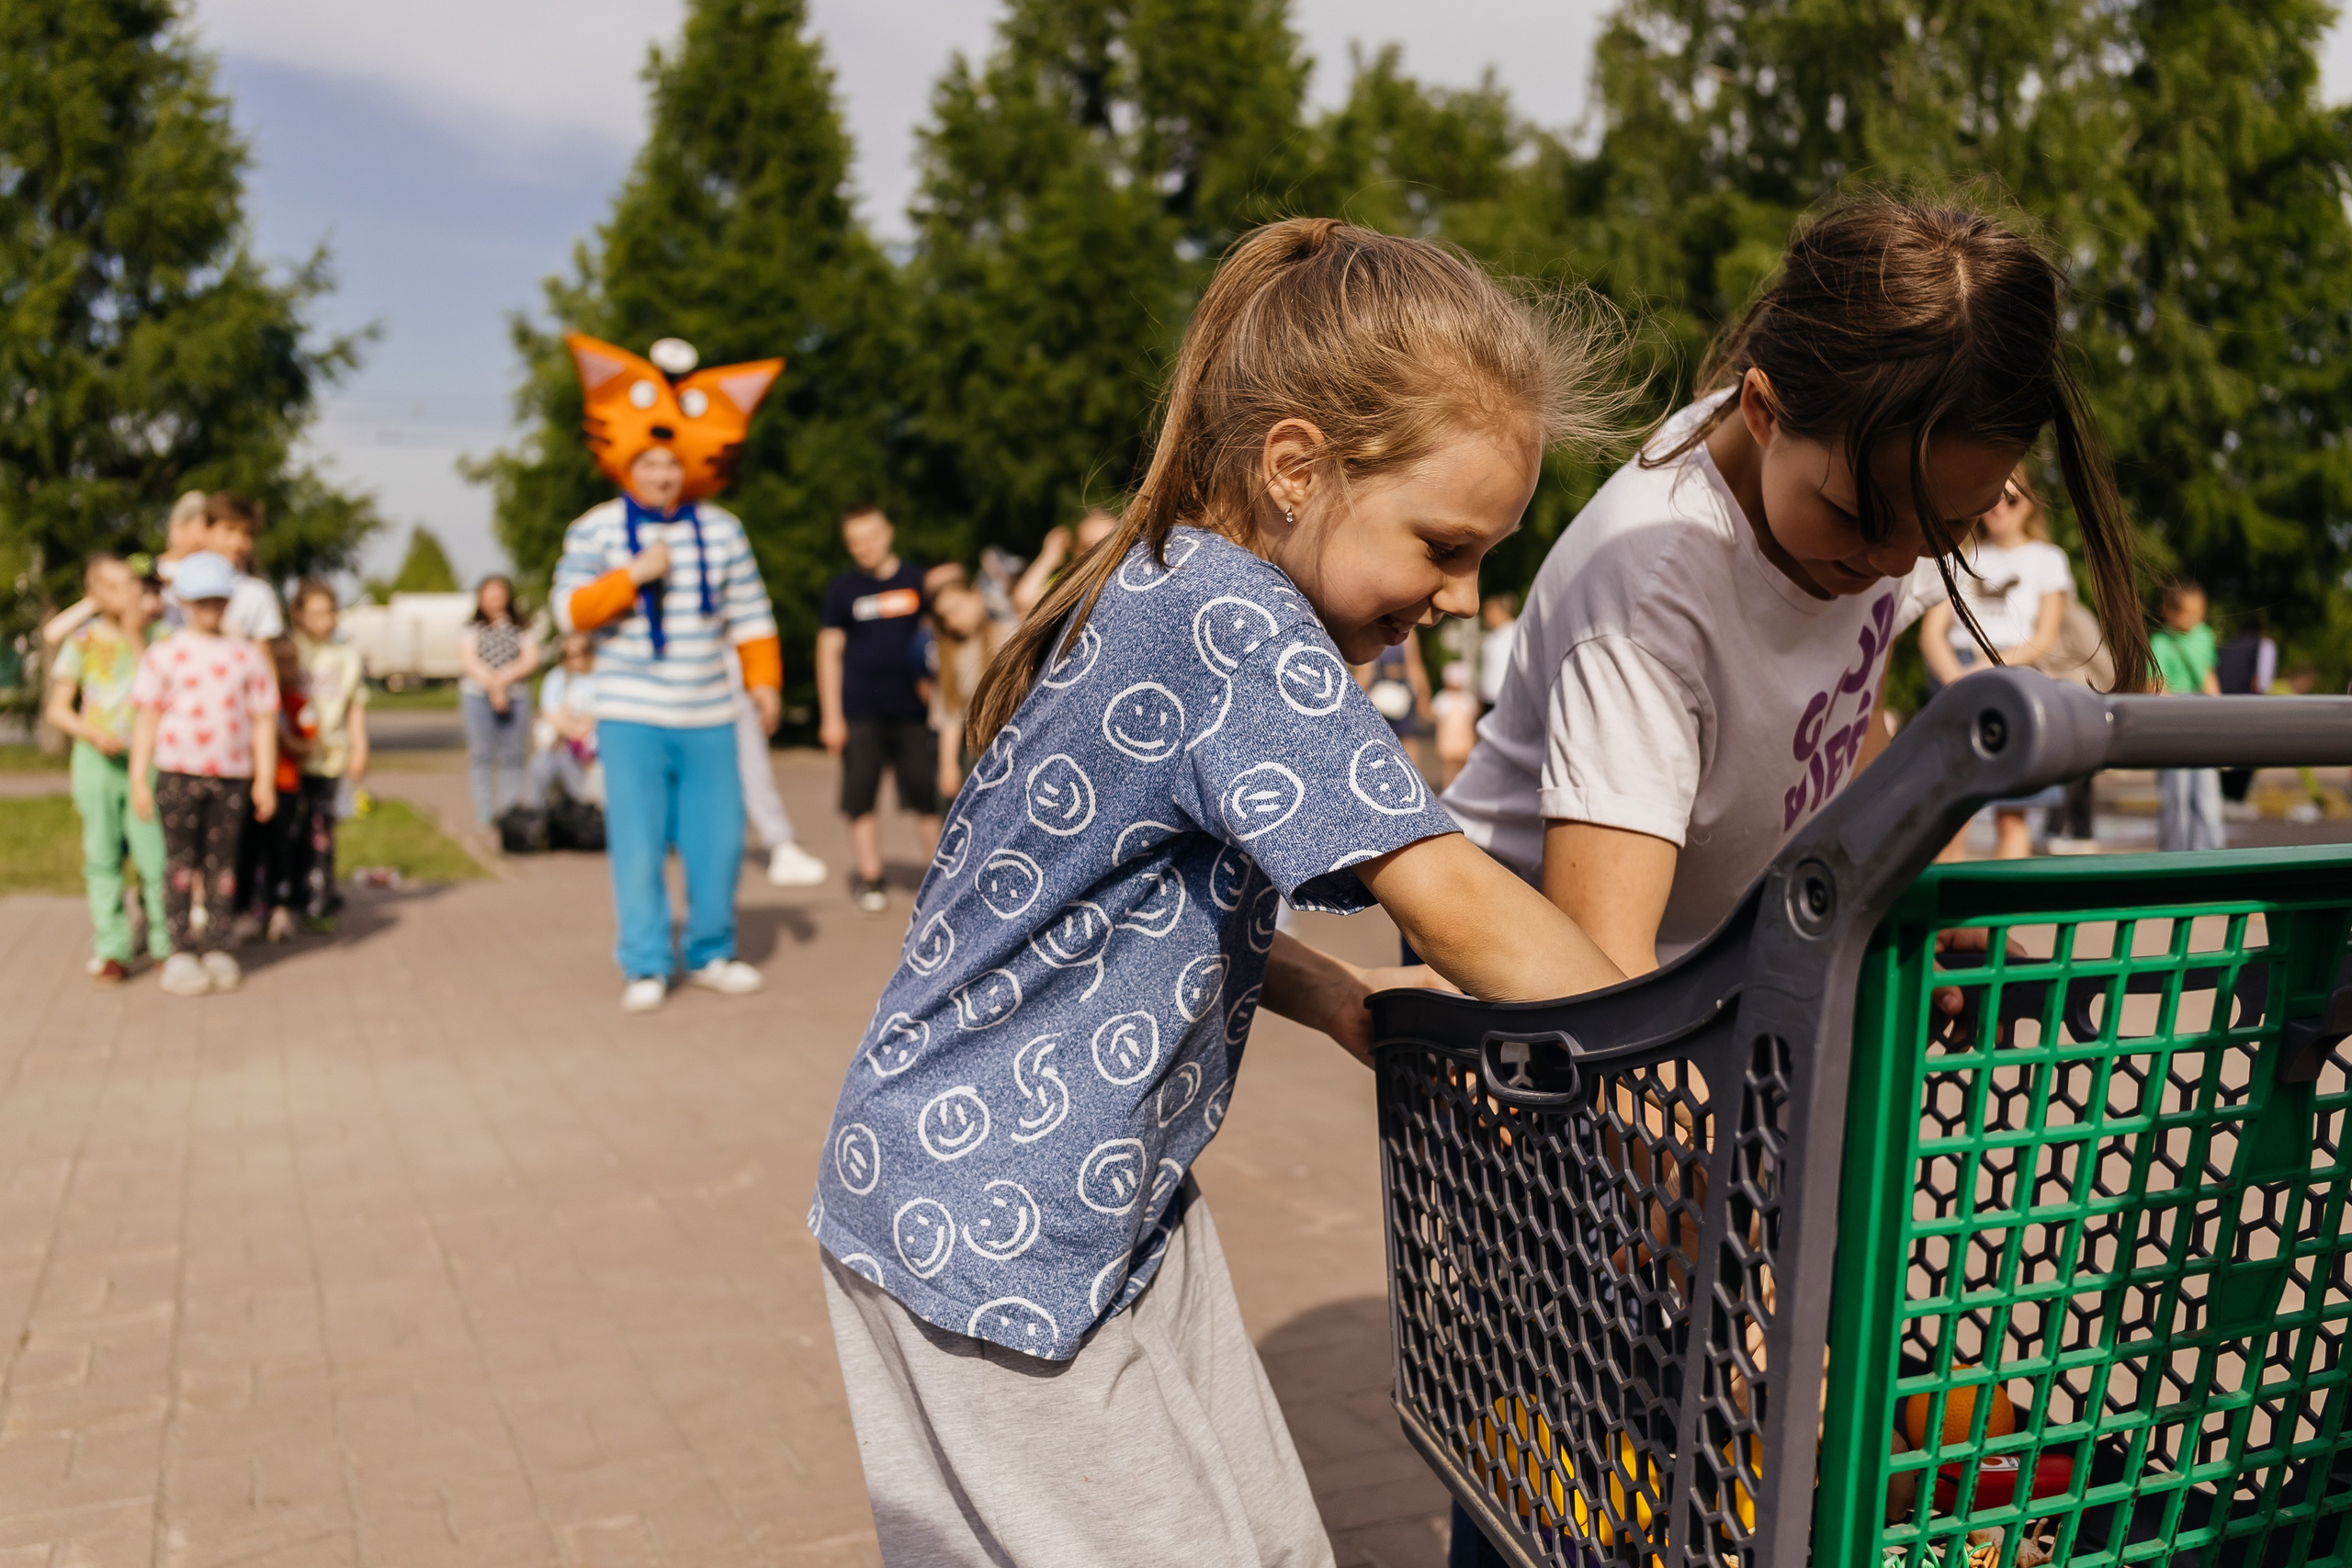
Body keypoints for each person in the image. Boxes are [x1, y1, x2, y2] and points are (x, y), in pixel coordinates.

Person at [810, 217, 1627, 1568]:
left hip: (1102, 1196)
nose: (1460, 594)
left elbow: (1114, 901)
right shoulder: (1228, 620)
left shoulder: (1178, 588)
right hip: (989, 1217)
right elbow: (1449, 895)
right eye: (1442, 542)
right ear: (1297, 466)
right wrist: (1675, 1055)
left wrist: (1334, 995)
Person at [551, 332, 786, 1013]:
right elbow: (568, 610)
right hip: (630, 712)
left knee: (718, 843)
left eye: (670, 464)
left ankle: (711, 951)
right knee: (639, 845)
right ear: (629, 464)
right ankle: (647, 962)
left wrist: (765, 682)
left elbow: (751, 612)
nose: (661, 475)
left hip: (709, 711)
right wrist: (632, 575)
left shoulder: (724, 529)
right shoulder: (593, 529)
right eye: (649, 464)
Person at [126, 552, 278, 998]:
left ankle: (217, 943)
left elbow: (264, 719)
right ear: (185, 602)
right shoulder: (164, 653)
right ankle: (179, 949)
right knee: (179, 862)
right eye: (201, 600)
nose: (210, 608)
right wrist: (138, 778)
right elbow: (147, 719)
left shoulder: (246, 655)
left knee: (222, 864)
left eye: (217, 599)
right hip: (176, 771)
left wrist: (264, 778)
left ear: (228, 601)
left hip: (231, 774)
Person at [1918, 468, 2075, 859]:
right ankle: (1951, 900)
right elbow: (1931, 634)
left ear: (2030, 505)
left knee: (2011, 815)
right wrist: (1956, 679)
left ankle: (2000, 903)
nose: (2000, 508)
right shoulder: (1956, 554)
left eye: (2012, 499)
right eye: (1993, 497)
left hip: (2016, 677)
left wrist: (1985, 671)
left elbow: (2043, 638)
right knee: (1952, 812)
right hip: (1956, 675)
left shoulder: (2047, 559)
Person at [44, 555, 169, 982]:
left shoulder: (159, 636)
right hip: (97, 761)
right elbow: (58, 709)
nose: (127, 594)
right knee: (102, 855)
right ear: (95, 595)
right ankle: (113, 947)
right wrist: (93, 734)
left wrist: (134, 634)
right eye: (114, 587)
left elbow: (161, 689)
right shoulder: (83, 640)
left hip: (146, 761)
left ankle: (164, 942)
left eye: (130, 584)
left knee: (155, 857)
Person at [818, 504, 939, 915]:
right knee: (861, 796)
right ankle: (871, 878)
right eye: (855, 541)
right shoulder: (843, 590)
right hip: (860, 710)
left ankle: (940, 880)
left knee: (927, 796)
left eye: (870, 536)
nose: (865, 546)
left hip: (914, 711)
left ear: (888, 532)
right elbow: (828, 652)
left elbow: (940, 639)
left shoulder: (917, 581)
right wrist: (831, 716)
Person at [283, 582, 368, 932]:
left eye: (329, 612)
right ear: (298, 614)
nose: (323, 620)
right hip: (291, 756)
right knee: (290, 829)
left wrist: (360, 748)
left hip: (329, 756)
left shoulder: (346, 656)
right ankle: (290, 894)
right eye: (315, 613)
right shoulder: (290, 649)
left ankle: (319, 897)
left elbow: (354, 707)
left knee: (321, 828)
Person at [731, 642, 829, 886]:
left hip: (725, 680)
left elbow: (751, 624)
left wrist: (763, 679)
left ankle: (780, 843)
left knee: (752, 766)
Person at [457, 575, 539, 826]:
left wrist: (503, 681)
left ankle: (510, 811)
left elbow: (530, 660)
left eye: (498, 593)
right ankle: (485, 813)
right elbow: (469, 661)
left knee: (514, 755)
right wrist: (493, 684)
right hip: (477, 697)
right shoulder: (471, 629)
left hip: (516, 697)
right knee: (481, 754)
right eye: (488, 593)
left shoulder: (522, 628)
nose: (493, 599)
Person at [2151, 580, 2223, 852]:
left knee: (2207, 791)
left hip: (2202, 713)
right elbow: (2155, 685)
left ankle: (2209, 851)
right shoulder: (2159, 642)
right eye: (2187, 613)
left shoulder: (2204, 635)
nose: (2193, 619)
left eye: (2198, 613)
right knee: (2176, 793)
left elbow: (2207, 676)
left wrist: (2222, 712)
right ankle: (2175, 852)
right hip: (2174, 716)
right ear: (2168, 611)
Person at [926, 579, 1009, 801]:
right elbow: (950, 715)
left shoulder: (1011, 634)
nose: (951, 622)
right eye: (944, 618)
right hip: (980, 753)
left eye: (956, 609)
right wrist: (948, 766)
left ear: (976, 597)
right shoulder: (951, 654)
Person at [197, 492, 286, 642]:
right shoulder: (174, 580)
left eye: (247, 534)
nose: (238, 542)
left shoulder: (258, 593)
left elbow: (263, 650)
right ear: (205, 530)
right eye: (229, 529)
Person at [530, 632, 604, 807]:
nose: (574, 659)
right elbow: (550, 715)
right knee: (541, 767)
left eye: (581, 652)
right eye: (568, 655)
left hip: (594, 748)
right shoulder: (556, 678)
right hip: (562, 743)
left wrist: (584, 727)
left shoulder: (601, 677)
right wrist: (574, 731)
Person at [1011, 507, 1121, 615]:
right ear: (1075, 549)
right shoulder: (1068, 579)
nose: (1094, 556)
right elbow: (1023, 601)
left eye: (1102, 548)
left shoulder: (1114, 588)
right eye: (1086, 548)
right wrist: (1049, 557)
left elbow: (1023, 601)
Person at [1355, 625, 1434, 772]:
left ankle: (1410, 777)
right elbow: (1365, 673)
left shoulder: (1408, 635)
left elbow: (1414, 667)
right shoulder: (1374, 631)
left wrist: (1423, 700)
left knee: (1406, 740)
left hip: (1400, 695)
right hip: (1381, 694)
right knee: (1390, 742)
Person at [1432, 660, 1480, 786]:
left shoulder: (1463, 699)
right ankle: (1450, 786)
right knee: (1451, 766)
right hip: (1452, 737)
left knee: (1459, 765)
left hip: (1460, 737)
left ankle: (1455, 786)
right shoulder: (1448, 698)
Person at [1476, 591, 1519, 709]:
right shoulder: (1490, 637)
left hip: (1507, 699)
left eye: (1488, 611)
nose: (1485, 616)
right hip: (1488, 699)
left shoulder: (1516, 631)